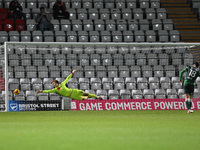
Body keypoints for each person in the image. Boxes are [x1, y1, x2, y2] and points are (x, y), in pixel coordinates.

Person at [36, 70, 103, 101]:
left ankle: (97, 97)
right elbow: (48, 91)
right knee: (83, 98)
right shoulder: (55, 90)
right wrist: (41, 91)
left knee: (86, 94)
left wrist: (72, 73)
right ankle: (93, 98)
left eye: (53, 83)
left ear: (56, 83)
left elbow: (67, 78)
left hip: (74, 91)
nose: (53, 85)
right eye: (52, 84)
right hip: (71, 95)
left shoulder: (62, 84)